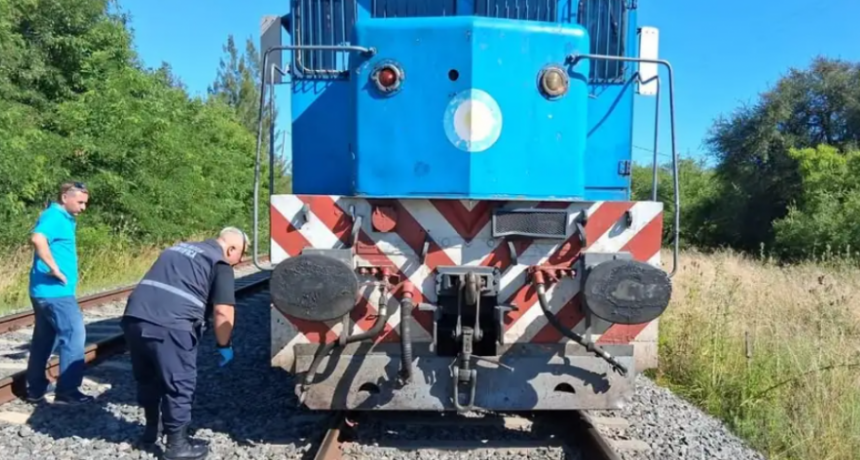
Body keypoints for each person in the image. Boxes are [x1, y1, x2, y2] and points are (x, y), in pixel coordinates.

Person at [121, 227, 245, 460]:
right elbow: (223, 311)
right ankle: (177, 446)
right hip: (170, 325)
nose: (238, 264)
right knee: (179, 384)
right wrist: (224, 344)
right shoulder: (220, 263)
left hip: (134, 318)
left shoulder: (177, 248)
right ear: (231, 249)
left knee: (147, 378)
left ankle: (149, 433)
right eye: (240, 257)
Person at [25, 181, 95, 405]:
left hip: (44, 290)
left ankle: (35, 389)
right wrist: (54, 269)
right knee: (75, 336)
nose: (83, 208)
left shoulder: (62, 218)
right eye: (80, 202)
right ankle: (67, 391)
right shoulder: (54, 216)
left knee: (44, 340)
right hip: (55, 292)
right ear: (65, 197)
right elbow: (37, 238)